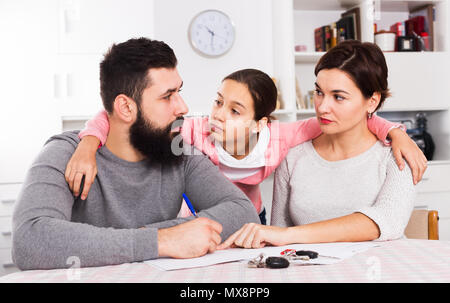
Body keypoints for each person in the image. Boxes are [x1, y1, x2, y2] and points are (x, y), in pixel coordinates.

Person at [11, 38, 260, 270]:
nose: (182, 107)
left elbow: (243, 213)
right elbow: (29, 239)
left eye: (179, 91)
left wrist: (156, 235)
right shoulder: (67, 153)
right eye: (167, 96)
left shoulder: (180, 153)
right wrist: (159, 241)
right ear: (126, 108)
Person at [68, 69, 426, 224]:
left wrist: (396, 133)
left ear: (260, 123)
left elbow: (346, 118)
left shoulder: (280, 138)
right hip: (198, 219)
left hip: (251, 219)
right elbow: (116, 115)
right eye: (218, 101)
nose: (218, 115)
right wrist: (87, 143)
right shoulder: (192, 131)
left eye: (235, 110)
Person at [217, 40, 417, 249]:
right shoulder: (294, 155)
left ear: (372, 101)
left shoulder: (398, 154)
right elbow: (278, 233)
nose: (322, 107)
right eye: (319, 92)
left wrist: (288, 235)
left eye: (338, 97)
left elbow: (387, 221)